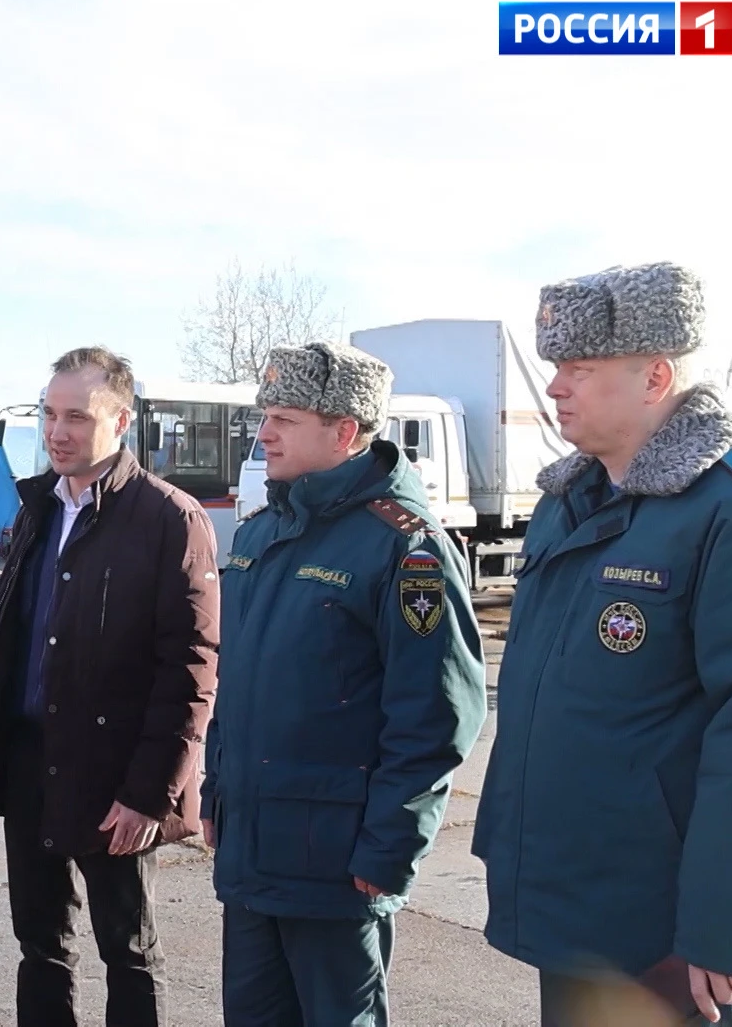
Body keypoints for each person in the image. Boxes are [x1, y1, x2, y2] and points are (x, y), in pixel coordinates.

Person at [473, 262, 732, 1027]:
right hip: (577, 908)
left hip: (672, 941)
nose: (555, 388)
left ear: (655, 376)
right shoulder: (568, 505)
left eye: (579, 369)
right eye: (555, 368)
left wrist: (729, 925)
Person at [203, 342, 487, 1026]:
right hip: (251, 850)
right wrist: (217, 789)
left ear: (346, 433)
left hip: (336, 863)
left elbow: (437, 715)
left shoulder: (404, 547)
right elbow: (239, 685)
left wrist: (392, 847)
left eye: (285, 419)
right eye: (264, 415)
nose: (263, 433)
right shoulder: (262, 534)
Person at [0, 346, 219, 1027]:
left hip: (114, 775)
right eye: (48, 413)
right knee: (40, 944)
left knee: (127, 949)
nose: (57, 431)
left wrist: (148, 794)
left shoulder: (168, 520)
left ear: (120, 420)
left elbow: (191, 668)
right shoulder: (38, 510)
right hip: (31, 762)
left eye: (76, 416)